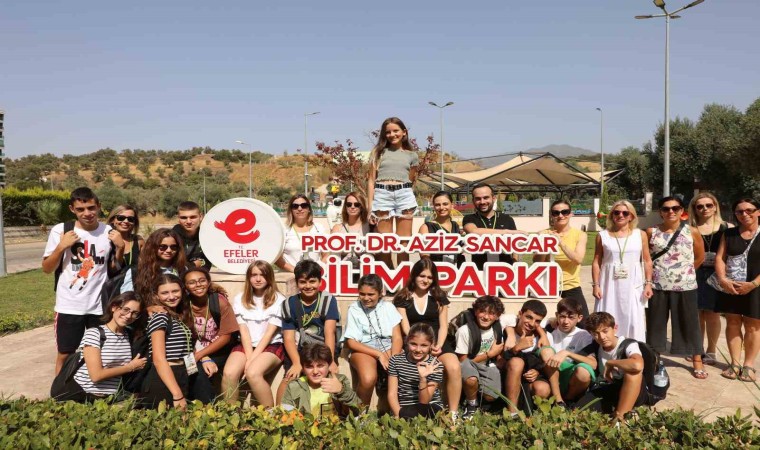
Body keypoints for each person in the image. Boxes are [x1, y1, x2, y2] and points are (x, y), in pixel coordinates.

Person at [42, 187, 124, 374]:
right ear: (72, 209)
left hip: (100, 306)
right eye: (80, 209)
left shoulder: (109, 232)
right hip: (69, 305)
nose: (87, 213)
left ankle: (94, 385)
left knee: (101, 351)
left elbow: (114, 268)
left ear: (99, 206)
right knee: (66, 353)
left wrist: (120, 248)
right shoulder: (61, 230)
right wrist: (61, 247)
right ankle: (60, 388)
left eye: (91, 208)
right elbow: (47, 268)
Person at [646, 196, 706, 379]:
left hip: (685, 286)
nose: (670, 212)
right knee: (655, 323)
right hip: (657, 286)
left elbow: (700, 257)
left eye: (675, 208)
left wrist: (685, 272)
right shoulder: (651, 232)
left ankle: (697, 359)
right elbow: (646, 258)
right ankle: (654, 356)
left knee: (689, 323)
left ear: (682, 211)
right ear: (660, 212)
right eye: (666, 209)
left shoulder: (692, 231)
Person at [393, 258, 461, 415]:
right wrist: (421, 346)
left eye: (430, 277)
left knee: (454, 367)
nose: (425, 280)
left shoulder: (439, 297)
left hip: (437, 342)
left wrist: (438, 345)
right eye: (422, 276)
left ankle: (453, 413)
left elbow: (443, 326)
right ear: (414, 276)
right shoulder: (402, 297)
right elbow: (406, 328)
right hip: (414, 342)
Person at [52, 292, 147, 402]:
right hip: (83, 395)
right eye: (126, 309)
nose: (129, 316)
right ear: (114, 307)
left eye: (135, 313)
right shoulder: (95, 333)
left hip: (111, 397)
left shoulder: (129, 336)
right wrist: (130, 367)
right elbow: (96, 375)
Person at [223, 261, 286, 406]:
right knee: (229, 373)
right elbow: (244, 331)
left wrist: (251, 361)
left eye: (262, 275)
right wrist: (249, 357)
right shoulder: (240, 298)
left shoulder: (279, 299)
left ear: (269, 277)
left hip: (271, 344)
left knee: (253, 373)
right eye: (254, 275)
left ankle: (269, 414)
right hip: (246, 344)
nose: (258, 279)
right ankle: (230, 413)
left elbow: (269, 334)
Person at [277, 260, 341, 402]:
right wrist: (297, 363)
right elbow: (288, 338)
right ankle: (279, 412)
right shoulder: (289, 304)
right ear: (297, 283)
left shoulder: (328, 300)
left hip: (323, 349)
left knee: (331, 380)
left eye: (312, 281)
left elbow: (329, 332)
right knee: (288, 380)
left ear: (320, 282)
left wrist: (330, 360)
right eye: (303, 282)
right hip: (300, 350)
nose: (308, 286)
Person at [592, 200, 653, 342]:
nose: (621, 215)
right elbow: (596, 261)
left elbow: (647, 260)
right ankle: (607, 348)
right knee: (608, 317)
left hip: (633, 284)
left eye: (625, 213)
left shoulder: (640, 234)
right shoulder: (602, 235)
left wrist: (648, 284)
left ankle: (633, 349)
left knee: (633, 320)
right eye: (617, 212)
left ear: (631, 216)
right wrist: (596, 285)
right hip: (609, 284)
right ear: (611, 215)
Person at [714, 198, 760, 382]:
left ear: (758, 212)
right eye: (740, 211)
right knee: (732, 323)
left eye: (749, 210)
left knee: (753, 326)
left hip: (756, 286)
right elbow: (720, 257)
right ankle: (734, 363)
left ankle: (748, 365)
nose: (744, 214)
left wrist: (753, 284)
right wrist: (723, 280)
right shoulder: (729, 233)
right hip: (731, 285)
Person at [139, 274, 199, 410]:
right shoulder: (160, 317)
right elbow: (159, 359)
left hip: (182, 373)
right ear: (156, 296)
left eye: (175, 291)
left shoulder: (179, 316)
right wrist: (177, 395)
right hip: (165, 378)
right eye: (165, 293)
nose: (171, 297)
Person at [574, 312, 647, 422]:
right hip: (608, 388)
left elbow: (638, 365)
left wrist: (611, 363)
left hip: (633, 391)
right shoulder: (595, 346)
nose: (602, 337)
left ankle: (620, 418)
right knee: (578, 413)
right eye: (596, 333)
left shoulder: (628, 344)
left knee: (633, 373)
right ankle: (615, 410)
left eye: (605, 331)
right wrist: (566, 353)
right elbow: (578, 359)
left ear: (615, 328)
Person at [343, 274, 403, 407]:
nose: (366, 298)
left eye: (371, 294)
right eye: (362, 294)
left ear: (380, 293)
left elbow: (397, 337)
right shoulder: (354, 309)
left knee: (398, 373)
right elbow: (351, 342)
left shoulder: (389, 307)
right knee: (368, 378)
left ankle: (386, 411)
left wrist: (393, 358)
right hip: (363, 346)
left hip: (388, 345)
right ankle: (359, 414)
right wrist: (379, 354)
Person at [366, 117, 419, 268]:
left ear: (404, 132)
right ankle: (387, 276)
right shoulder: (378, 153)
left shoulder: (412, 155)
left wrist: (402, 189)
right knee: (385, 243)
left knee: (404, 242)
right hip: (383, 195)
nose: (392, 134)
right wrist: (370, 207)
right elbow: (371, 180)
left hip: (404, 195)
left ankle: (403, 278)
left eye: (396, 131)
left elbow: (411, 179)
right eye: (388, 132)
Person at [688, 193, 731, 366]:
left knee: (713, 314)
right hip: (694, 273)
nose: (704, 209)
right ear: (694, 209)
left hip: (717, 274)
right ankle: (697, 349)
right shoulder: (689, 228)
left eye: (708, 205)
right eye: (700, 206)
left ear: (715, 207)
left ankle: (711, 351)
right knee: (697, 314)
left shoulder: (727, 227)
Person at [184, 267, 238, 400]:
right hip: (193, 350)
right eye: (192, 282)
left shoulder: (219, 302)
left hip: (218, 350)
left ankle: (208, 408)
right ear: (185, 286)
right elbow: (184, 336)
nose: (198, 285)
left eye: (202, 280)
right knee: (189, 369)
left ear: (208, 282)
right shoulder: (183, 304)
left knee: (200, 371)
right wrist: (203, 358)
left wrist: (201, 355)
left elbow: (226, 336)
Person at [533, 200, 590, 320]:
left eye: (565, 212)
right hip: (547, 286)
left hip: (570, 285)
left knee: (583, 322)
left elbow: (578, 259)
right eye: (556, 213)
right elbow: (537, 263)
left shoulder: (580, 235)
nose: (560, 215)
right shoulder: (543, 234)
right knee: (546, 322)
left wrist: (560, 242)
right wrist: (546, 244)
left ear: (571, 214)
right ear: (551, 215)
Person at [455, 295, 507, 420]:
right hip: (469, 363)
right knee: (471, 379)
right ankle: (471, 404)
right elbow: (463, 361)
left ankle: (476, 397)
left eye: (491, 313)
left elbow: (514, 321)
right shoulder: (464, 331)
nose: (486, 317)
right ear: (475, 311)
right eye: (482, 311)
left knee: (491, 396)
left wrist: (499, 358)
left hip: (487, 365)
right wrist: (489, 354)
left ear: (497, 316)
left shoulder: (497, 328)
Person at [538, 298, 594, 406]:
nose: (566, 321)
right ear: (557, 315)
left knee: (584, 372)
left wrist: (567, 353)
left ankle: (568, 400)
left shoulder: (584, 335)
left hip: (571, 377)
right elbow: (519, 320)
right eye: (562, 316)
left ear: (579, 318)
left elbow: (593, 364)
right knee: (546, 352)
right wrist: (546, 324)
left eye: (571, 317)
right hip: (550, 375)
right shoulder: (549, 329)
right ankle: (558, 401)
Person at [281, 343, 360, 417]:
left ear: (329, 365)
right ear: (303, 369)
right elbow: (285, 415)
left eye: (320, 366)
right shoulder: (294, 386)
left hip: (336, 426)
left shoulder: (339, 381)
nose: (315, 372)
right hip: (304, 426)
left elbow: (358, 410)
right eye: (309, 367)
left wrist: (341, 391)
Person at [502, 299, 551, 414]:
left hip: (529, 379)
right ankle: (512, 413)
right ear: (520, 314)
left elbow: (546, 362)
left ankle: (536, 415)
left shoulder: (543, 337)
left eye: (537, 321)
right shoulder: (506, 332)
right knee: (517, 362)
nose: (532, 323)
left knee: (542, 388)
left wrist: (537, 371)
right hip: (508, 376)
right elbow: (500, 362)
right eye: (529, 317)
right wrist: (516, 348)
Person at [388, 323, 444, 419]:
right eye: (413, 344)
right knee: (408, 414)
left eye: (424, 345)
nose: (418, 349)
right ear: (407, 341)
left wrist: (423, 379)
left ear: (431, 345)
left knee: (425, 412)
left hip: (429, 405)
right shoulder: (396, 361)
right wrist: (398, 415)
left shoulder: (435, 365)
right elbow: (391, 394)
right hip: (405, 408)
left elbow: (424, 402)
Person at [462, 183, 520, 270]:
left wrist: (515, 264)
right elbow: (473, 231)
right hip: (480, 272)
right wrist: (507, 232)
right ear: (473, 201)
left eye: (486, 198)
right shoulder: (469, 218)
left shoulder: (507, 218)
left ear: (493, 198)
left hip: (506, 271)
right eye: (478, 199)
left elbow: (515, 247)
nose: (482, 202)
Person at [121, 228, 189, 302]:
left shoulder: (182, 269)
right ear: (153, 247)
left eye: (173, 247)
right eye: (163, 247)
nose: (169, 250)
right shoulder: (136, 271)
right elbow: (127, 300)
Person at [275, 195, 328, 273]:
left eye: (304, 205)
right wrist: (297, 271)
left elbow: (326, 254)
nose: (299, 209)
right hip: (290, 275)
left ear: (309, 209)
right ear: (291, 210)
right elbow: (277, 258)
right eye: (295, 206)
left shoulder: (319, 228)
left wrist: (317, 270)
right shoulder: (283, 230)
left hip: (314, 276)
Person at [418, 191, 465, 267]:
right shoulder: (426, 227)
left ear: (452, 205)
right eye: (437, 205)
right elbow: (424, 256)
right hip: (435, 269)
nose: (441, 208)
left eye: (445, 204)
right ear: (433, 207)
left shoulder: (455, 225)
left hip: (454, 270)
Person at [330, 191, 370, 270]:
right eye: (349, 204)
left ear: (362, 206)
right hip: (343, 270)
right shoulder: (337, 228)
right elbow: (333, 254)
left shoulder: (370, 227)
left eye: (357, 204)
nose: (352, 207)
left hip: (365, 270)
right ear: (345, 207)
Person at [172, 201, 211, 268]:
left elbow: (207, 263)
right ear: (178, 218)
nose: (188, 221)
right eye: (184, 218)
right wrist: (194, 264)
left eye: (193, 217)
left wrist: (199, 263)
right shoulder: (171, 238)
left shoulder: (206, 236)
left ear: (201, 217)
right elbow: (171, 265)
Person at [106, 204, 144, 269]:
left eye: (130, 219)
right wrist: (120, 248)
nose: (126, 221)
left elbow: (144, 267)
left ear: (134, 222)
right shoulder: (105, 239)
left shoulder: (138, 241)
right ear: (113, 220)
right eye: (121, 218)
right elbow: (115, 268)